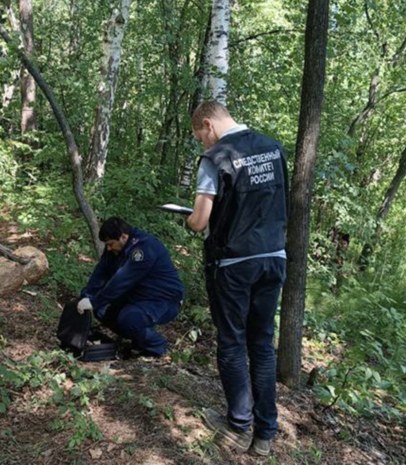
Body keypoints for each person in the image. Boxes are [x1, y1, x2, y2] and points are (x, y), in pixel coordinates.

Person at [186, 101, 288, 456]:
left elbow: (200, 221)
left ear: (208, 124)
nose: (203, 143)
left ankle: (239, 426)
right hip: (273, 258)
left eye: (201, 136)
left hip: (234, 263)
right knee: (261, 344)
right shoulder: (273, 148)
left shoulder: (216, 158)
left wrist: (189, 218)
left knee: (232, 342)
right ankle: (265, 434)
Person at [78, 217, 184, 357]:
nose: (108, 248)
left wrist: (94, 301)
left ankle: (157, 346)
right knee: (102, 309)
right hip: (138, 296)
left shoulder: (144, 248)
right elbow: (101, 271)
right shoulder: (115, 248)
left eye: (110, 244)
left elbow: (122, 281)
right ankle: (137, 338)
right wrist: (87, 296)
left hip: (163, 300)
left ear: (123, 236)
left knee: (129, 319)